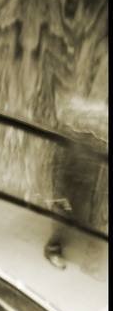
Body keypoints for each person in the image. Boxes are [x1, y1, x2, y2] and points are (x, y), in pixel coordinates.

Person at [43, 95, 107, 270]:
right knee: (66, 199)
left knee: (93, 203)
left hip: (96, 141)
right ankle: (54, 248)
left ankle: (91, 256)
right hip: (78, 136)